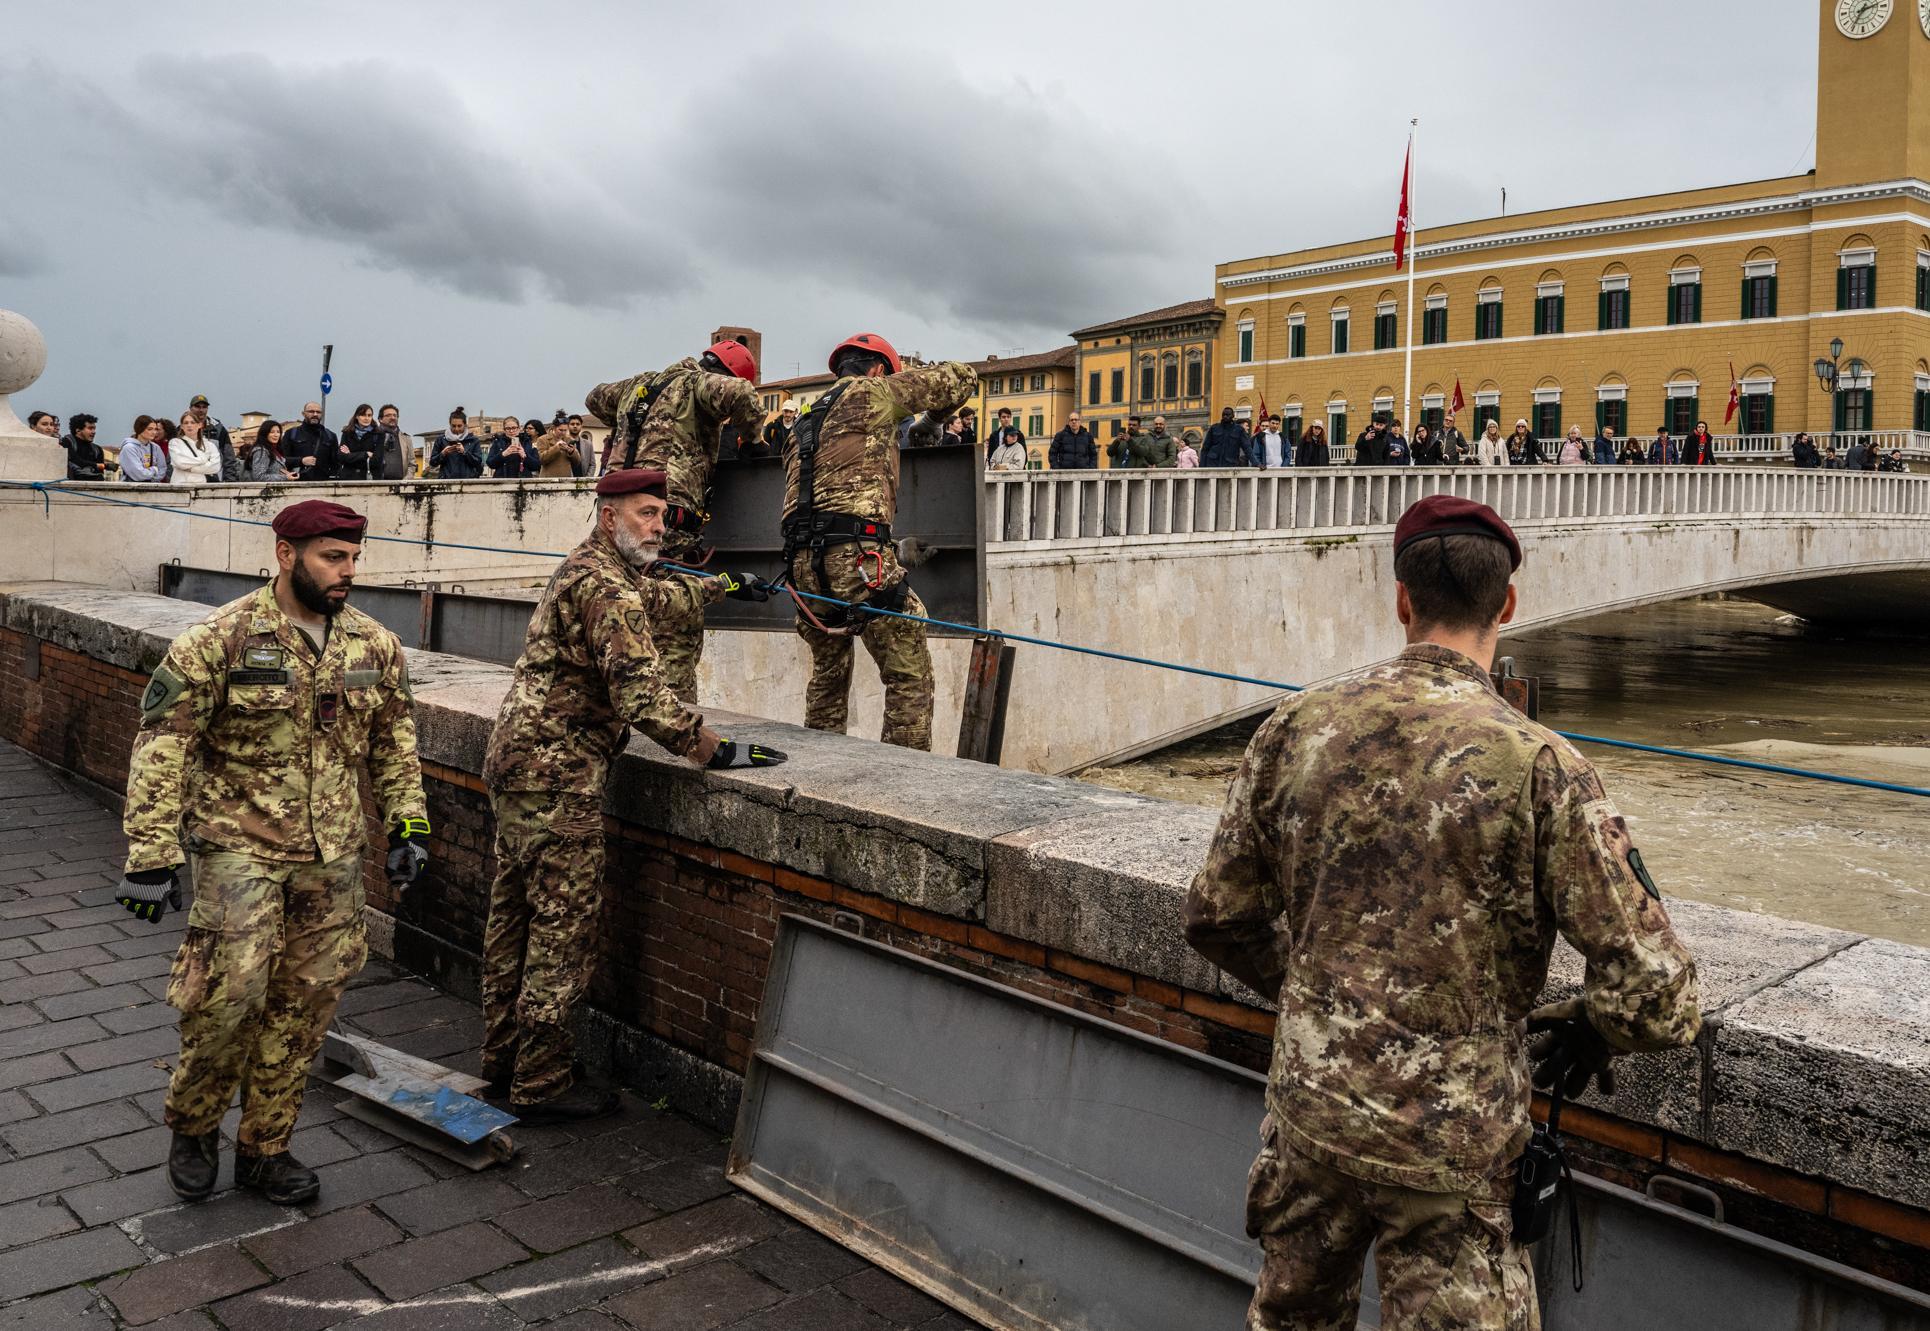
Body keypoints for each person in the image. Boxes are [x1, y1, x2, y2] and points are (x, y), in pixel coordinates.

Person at [1184, 493, 1700, 1331]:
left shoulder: (1296, 725)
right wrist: (1589, 1028)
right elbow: (1660, 993)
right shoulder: (1541, 764)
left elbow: (1216, 913)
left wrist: (1326, 997)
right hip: (1449, 1152)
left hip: (1312, 1119)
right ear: (1507, 604)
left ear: (1401, 599)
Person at [113, 499, 428, 1206]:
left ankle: (265, 1145)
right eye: (331, 557)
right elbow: (165, 744)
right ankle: (194, 1123)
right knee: (230, 996)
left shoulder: (373, 646)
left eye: (352, 557)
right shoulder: (220, 639)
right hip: (238, 849)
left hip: (333, 855)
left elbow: (394, 744)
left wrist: (410, 826)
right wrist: (151, 852)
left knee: (306, 1000)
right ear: (286, 554)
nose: (348, 571)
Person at [481, 467, 777, 1120]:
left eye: (661, 513)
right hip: (560, 777)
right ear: (609, 515)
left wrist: (727, 586)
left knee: (513, 922)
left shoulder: (594, 567)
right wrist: (713, 747)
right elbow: (640, 695)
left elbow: (663, 597)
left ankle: (501, 1060)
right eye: (646, 513)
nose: (659, 524)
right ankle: (541, 1081)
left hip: (516, 765)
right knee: (562, 933)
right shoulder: (607, 586)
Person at [782, 333, 975, 749]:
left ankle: (820, 762)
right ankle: (902, 778)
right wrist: (936, 418)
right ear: (878, 369)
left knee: (829, 675)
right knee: (909, 672)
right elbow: (961, 378)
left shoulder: (803, 420)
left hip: (801, 567)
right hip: (857, 559)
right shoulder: (873, 393)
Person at [584, 339, 762, 701]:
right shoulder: (699, 384)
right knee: (674, 639)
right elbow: (743, 396)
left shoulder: (640, 385)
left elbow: (594, 397)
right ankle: (671, 731)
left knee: (614, 622)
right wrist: (752, 438)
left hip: (613, 524)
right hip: (665, 530)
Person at [185, 395, 239, 481]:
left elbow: (229, 458)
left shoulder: (218, 429)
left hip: (214, 482)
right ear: (190, 408)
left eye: (204, 407)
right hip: (188, 481)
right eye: (197, 407)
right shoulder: (182, 429)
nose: (201, 410)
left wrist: (229, 481)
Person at [283, 402, 337, 481]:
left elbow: (336, 463)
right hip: (296, 483)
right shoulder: (291, 434)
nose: (315, 414)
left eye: (318, 412)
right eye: (311, 411)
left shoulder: (330, 436)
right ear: (303, 413)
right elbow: (282, 460)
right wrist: (301, 461)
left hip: (323, 484)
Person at [429, 408, 484, 480]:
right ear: (450, 424)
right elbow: (432, 463)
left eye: (459, 426)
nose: (456, 429)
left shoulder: (473, 440)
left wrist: (465, 453)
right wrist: (443, 453)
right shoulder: (441, 440)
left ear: (465, 424)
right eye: (453, 426)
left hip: (467, 483)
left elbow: (478, 462)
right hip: (446, 484)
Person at [169, 412, 223, 485]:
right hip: (180, 485)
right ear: (181, 426)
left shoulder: (210, 445)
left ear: (199, 425)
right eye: (186, 423)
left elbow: (215, 467)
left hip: (201, 486)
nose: (189, 425)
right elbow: (180, 463)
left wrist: (191, 468)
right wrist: (204, 460)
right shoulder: (175, 443)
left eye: (192, 422)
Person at [119, 416, 170, 483]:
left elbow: (162, 469)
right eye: (150, 429)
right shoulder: (129, 448)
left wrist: (151, 478)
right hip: (132, 489)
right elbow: (138, 474)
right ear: (139, 429)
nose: (154, 432)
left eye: (155, 429)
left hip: (152, 488)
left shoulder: (156, 448)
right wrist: (154, 469)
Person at [62, 413, 109, 481]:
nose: (94, 432)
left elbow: (99, 473)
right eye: (90, 428)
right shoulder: (67, 442)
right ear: (78, 430)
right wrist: (99, 465)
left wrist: (100, 466)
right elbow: (76, 460)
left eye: (94, 429)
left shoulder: (97, 450)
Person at [374, 404, 411, 480]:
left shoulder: (406, 438)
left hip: (401, 485)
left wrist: (407, 480)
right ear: (380, 419)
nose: (393, 418)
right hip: (377, 483)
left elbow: (412, 463)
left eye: (395, 415)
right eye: (388, 415)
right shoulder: (373, 436)